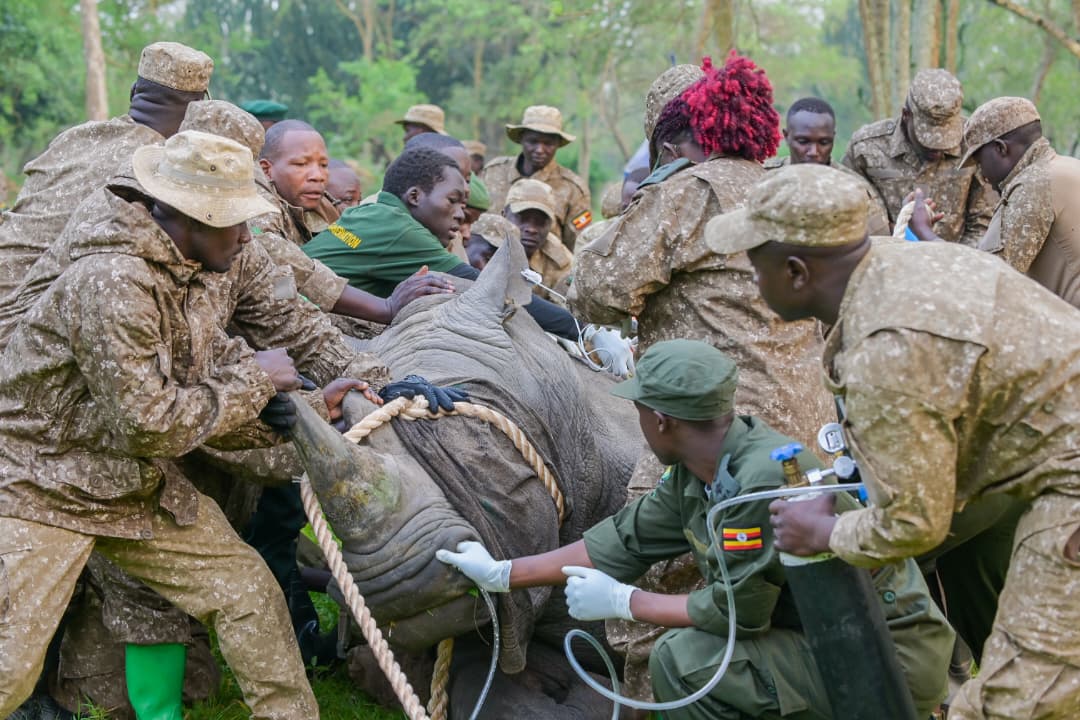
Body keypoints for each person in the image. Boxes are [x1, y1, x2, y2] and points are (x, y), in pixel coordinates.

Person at [708, 161, 1080, 720]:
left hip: (1068, 481)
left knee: (1006, 707)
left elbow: (915, 525)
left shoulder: (884, 347)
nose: (751, 279)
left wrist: (825, 530)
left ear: (795, 271)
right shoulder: (907, 264)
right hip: (1046, 467)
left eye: (754, 263)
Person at [437, 339, 953, 719]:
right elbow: (622, 540)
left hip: (885, 658)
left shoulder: (757, 482)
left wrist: (625, 603)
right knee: (685, 658)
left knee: (688, 662)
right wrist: (502, 573)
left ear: (661, 421)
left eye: (638, 412)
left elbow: (739, 617)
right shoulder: (701, 470)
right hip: (823, 637)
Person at [0, 130, 332, 719]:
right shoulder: (112, 282)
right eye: (235, 222)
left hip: (129, 483)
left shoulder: (192, 272)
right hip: (42, 484)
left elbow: (211, 375)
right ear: (191, 220)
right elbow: (149, 424)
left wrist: (301, 408)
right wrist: (257, 383)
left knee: (247, 592)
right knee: (10, 666)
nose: (247, 237)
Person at [0, 41, 212, 302]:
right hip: (26, 324)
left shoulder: (75, 136)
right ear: (197, 112)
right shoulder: (161, 166)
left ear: (134, 92)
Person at [252, 119, 452, 323]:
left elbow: (344, 239)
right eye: (301, 164)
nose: (318, 176)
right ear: (266, 170)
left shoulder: (317, 204)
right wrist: (385, 307)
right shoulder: (256, 202)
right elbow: (289, 271)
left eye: (323, 165)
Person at [913, 97, 1080, 309]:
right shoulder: (1070, 168)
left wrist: (924, 232)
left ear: (1001, 149)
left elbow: (988, 278)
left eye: (981, 162)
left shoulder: (1033, 185)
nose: (982, 175)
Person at [841, 68, 996, 245]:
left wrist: (956, 264)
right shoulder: (866, 149)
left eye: (947, 139)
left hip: (957, 264)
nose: (938, 150)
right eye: (928, 139)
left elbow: (984, 223)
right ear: (906, 115)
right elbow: (852, 219)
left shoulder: (972, 144)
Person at [766, 97, 890, 236]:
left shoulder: (854, 189)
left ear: (833, 138)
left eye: (823, 142)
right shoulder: (764, 178)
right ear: (787, 136)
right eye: (803, 141)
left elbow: (880, 244)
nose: (813, 152)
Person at [481, 105, 592, 250]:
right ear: (521, 139)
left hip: (544, 270)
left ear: (558, 144)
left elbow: (578, 245)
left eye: (548, 144)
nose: (540, 150)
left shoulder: (573, 189)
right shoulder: (493, 173)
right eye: (532, 141)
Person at [502, 179, 573, 302]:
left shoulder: (561, 262)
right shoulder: (482, 243)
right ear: (504, 215)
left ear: (551, 224)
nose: (531, 229)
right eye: (523, 218)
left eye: (541, 221)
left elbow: (562, 315)